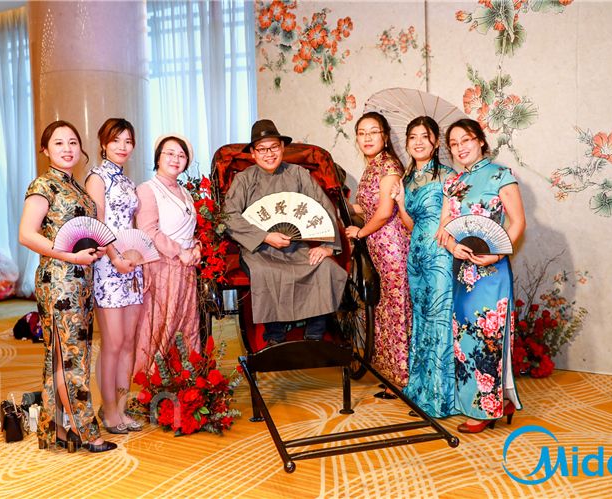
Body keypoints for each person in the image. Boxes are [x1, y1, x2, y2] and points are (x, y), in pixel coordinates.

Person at [19, 120, 116, 453]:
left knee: (63, 355)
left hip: (80, 280)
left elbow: (85, 232)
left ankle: (55, 428)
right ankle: (85, 431)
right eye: (58, 143)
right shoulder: (43, 185)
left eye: (73, 142)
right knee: (71, 357)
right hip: (59, 281)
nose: (67, 148)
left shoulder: (76, 187)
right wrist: (68, 255)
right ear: (45, 150)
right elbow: (26, 234)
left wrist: (95, 250)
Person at [224, 119, 347, 346]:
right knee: (266, 272)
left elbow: (323, 207)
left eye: (274, 147)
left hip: (296, 248)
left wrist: (327, 246)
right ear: (253, 153)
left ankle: (315, 333)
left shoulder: (298, 174)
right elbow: (229, 215)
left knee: (325, 268)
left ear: (282, 148)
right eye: (262, 149)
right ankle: (275, 335)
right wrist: (264, 236)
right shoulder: (244, 179)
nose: (269, 154)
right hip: (259, 249)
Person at [438, 118, 525, 433]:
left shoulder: (501, 175)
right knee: (464, 336)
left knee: (489, 336)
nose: (460, 147)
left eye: (466, 140)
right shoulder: (452, 183)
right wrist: (453, 246)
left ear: (480, 141)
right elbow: (444, 229)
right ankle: (482, 402)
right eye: (454, 144)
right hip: (462, 271)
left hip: (491, 271)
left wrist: (498, 253)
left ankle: (486, 409)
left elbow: (517, 222)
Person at [392, 116, 459, 417]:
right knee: (421, 319)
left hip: (441, 254)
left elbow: (454, 217)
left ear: (435, 142)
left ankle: (441, 396)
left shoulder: (448, 175)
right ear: (407, 143)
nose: (418, 142)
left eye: (425, 136)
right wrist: (400, 201)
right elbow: (410, 225)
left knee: (439, 318)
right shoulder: (406, 180)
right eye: (413, 137)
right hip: (416, 255)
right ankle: (421, 390)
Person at [344, 112, 411, 389]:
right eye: (362, 133)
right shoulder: (372, 166)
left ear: (385, 136)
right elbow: (366, 207)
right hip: (378, 246)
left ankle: (404, 377)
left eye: (373, 132)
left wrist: (359, 232)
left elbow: (384, 212)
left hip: (392, 245)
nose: (367, 138)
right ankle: (390, 373)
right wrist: (338, 206)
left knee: (397, 309)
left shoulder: (389, 166)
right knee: (384, 308)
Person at [85, 118, 143, 434]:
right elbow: (98, 225)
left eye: (128, 141)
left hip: (132, 268)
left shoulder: (128, 181)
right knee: (113, 342)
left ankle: (121, 408)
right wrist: (115, 258)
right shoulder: (97, 178)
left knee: (129, 343)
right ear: (103, 144)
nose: (122, 146)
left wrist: (133, 257)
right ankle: (108, 412)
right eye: (116, 140)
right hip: (108, 268)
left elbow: (131, 225)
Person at [133, 134, 201, 376]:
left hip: (185, 267)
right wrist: (180, 252)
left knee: (187, 322)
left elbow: (191, 230)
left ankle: (186, 377)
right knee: (162, 321)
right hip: (162, 266)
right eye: (169, 153)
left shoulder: (185, 192)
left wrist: (196, 248)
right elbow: (148, 230)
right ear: (158, 158)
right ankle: (154, 378)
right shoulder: (147, 189)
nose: (175, 159)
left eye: (181, 155)